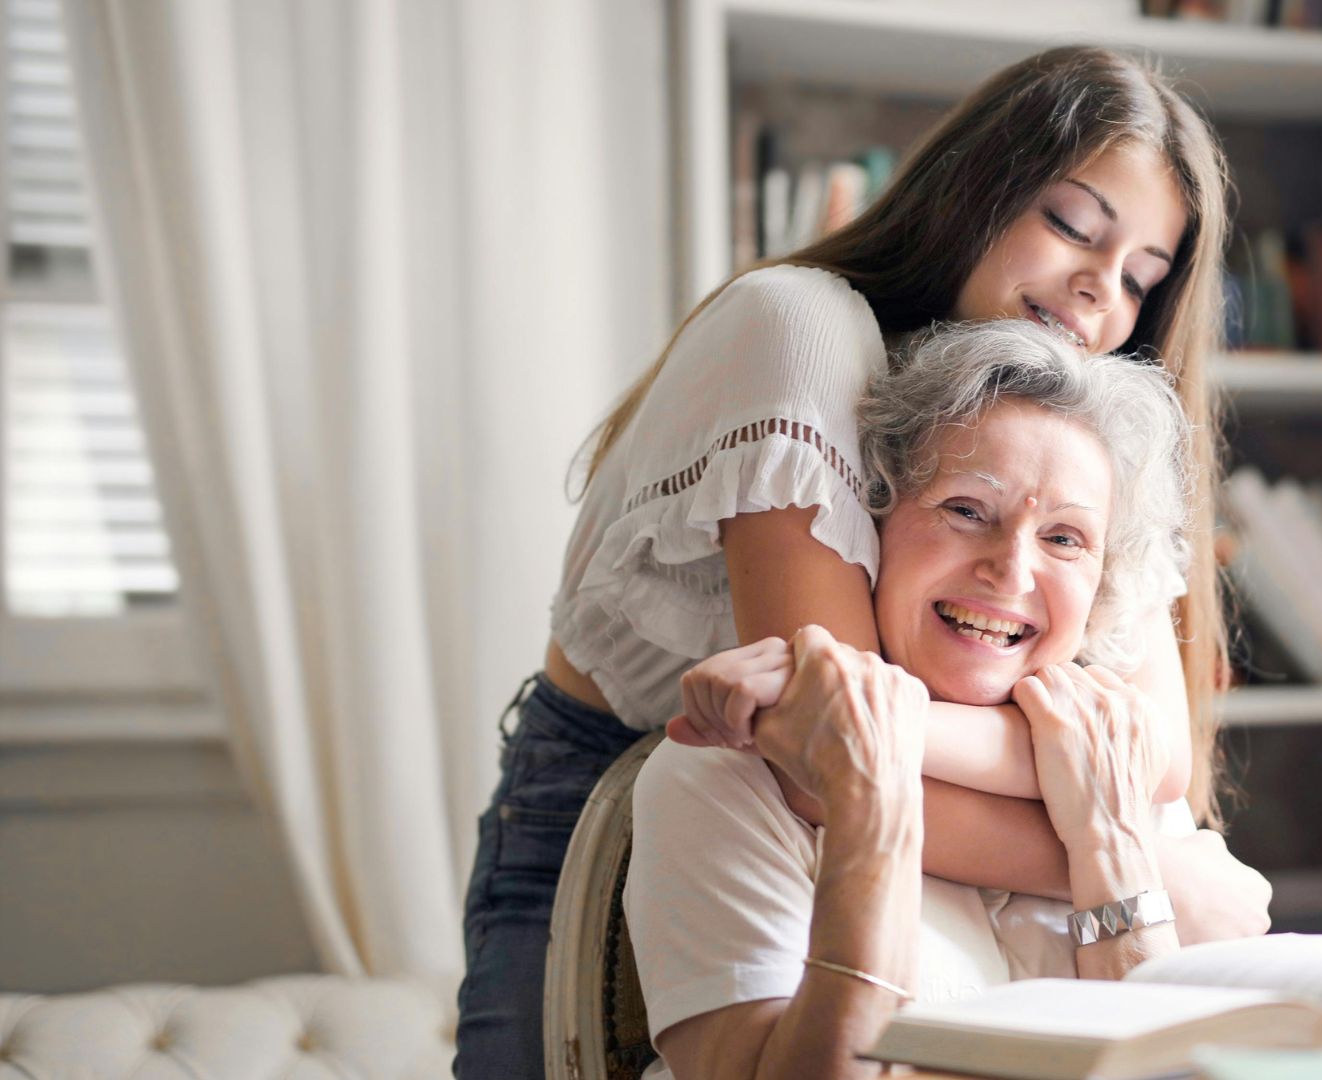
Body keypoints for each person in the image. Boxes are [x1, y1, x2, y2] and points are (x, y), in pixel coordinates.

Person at [454, 45, 1265, 1078]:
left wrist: (1106, 818)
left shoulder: (1078, 423)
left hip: (898, 829)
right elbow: (829, 751)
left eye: (1142, 280)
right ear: (977, 191)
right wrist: (1128, 858)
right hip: (626, 807)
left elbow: (1153, 753)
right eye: (1070, 225)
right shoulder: (799, 328)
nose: (1100, 289)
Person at [632, 320, 1218, 1079]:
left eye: (1066, 539)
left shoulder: (1123, 782)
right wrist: (867, 801)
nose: (1010, 572)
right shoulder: (727, 780)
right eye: (967, 510)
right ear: (874, 522)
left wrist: (1113, 848)